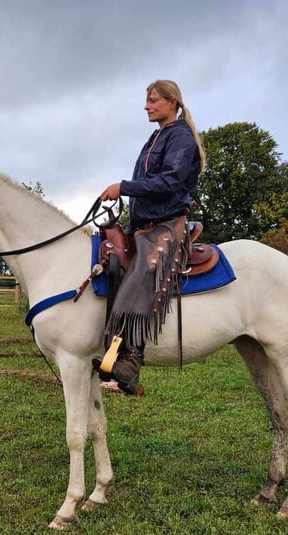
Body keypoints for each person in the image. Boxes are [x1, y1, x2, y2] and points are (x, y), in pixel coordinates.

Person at [93, 80, 206, 395]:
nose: (147, 106)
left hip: (167, 226)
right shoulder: (156, 136)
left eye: (153, 100)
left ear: (172, 103)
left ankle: (131, 363)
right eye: (147, 101)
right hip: (141, 225)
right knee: (114, 259)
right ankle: (112, 353)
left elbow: (170, 182)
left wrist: (124, 187)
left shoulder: (180, 137)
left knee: (142, 270)